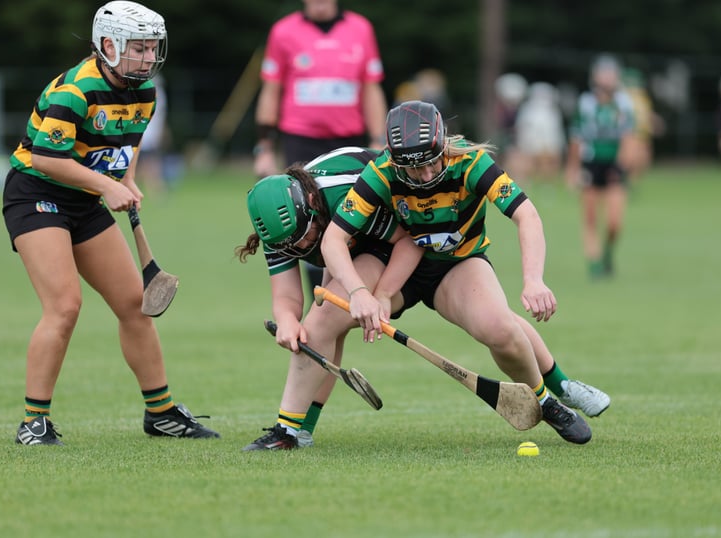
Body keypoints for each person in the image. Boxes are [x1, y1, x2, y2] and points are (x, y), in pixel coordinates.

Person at [321, 100, 606, 447]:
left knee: (499, 327)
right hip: (395, 265)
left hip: (457, 266)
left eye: (430, 164)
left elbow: (526, 215)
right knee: (325, 319)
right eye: (414, 171)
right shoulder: (382, 173)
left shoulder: (470, 164)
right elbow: (333, 239)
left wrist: (533, 279)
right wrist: (360, 293)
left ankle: (547, 397)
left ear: (442, 145)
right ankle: (293, 429)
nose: (425, 176)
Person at [2, 1, 219, 445]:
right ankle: (33, 421)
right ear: (107, 45)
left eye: (152, 48)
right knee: (65, 306)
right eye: (137, 48)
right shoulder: (75, 90)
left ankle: (160, 412)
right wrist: (106, 186)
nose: (147, 57)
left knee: (134, 303)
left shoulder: (146, 93)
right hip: (37, 194)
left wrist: (127, 180)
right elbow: (46, 157)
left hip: (85, 198)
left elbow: (129, 144)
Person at [236, 146, 422, 450]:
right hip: (351, 244)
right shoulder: (276, 229)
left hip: (389, 238)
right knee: (317, 325)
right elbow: (286, 294)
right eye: (291, 246)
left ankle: (289, 433)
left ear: (311, 202)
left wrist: (379, 295)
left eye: (305, 236)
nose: (301, 248)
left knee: (321, 321)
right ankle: (298, 431)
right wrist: (286, 320)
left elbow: (407, 238)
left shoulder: (343, 194)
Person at [251, 0, 388, 296]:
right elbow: (271, 89)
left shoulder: (360, 28)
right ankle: (321, 305)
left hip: (348, 140)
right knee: (304, 224)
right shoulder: (283, 31)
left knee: (351, 222)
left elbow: (371, 87)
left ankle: (345, 293)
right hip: (300, 139)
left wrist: (378, 137)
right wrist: (264, 146)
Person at [565, 55, 636, 279]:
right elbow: (576, 139)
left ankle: (607, 253)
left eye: (611, 73)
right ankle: (594, 263)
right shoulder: (585, 103)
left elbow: (628, 138)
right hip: (591, 164)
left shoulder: (624, 104)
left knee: (615, 222)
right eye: (603, 73)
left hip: (614, 164)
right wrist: (573, 169)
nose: (607, 78)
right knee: (591, 217)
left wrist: (624, 165)